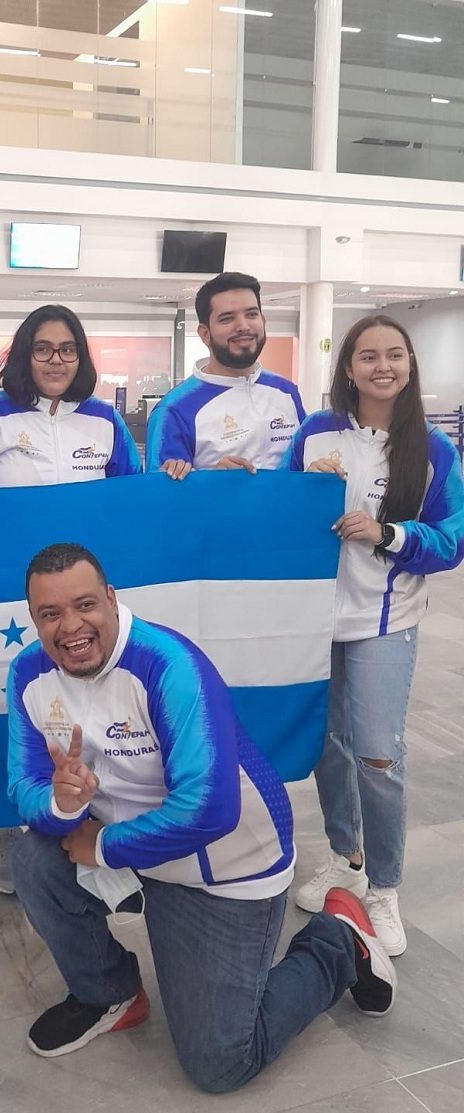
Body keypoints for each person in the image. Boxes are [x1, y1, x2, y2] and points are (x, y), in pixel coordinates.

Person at [7, 543, 397, 1090]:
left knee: (220, 1063)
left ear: (113, 600)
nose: (71, 626)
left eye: (85, 605)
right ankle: (109, 994)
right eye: (50, 614)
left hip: (224, 862)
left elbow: (210, 810)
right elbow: (22, 784)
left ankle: (336, 944)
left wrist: (103, 845)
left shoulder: (169, 662)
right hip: (132, 847)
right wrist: (61, 803)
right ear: (34, 619)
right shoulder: (27, 672)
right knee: (33, 857)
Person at [282, 315, 464, 956]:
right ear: (349, 367)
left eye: (394, 355)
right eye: (368, 356)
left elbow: (454, 540)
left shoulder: (435, 452)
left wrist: (389, 534)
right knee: (329, 749)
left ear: (409, 364)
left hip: (385, 623)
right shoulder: (313, 433)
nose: (381, 366)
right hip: (314, 621)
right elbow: (277, 506)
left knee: (378, 757)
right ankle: (346, 858)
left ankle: (384, 887)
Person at [0, 304, 141, 892]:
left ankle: (95, 814)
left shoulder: (105, 421)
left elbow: (134, 501)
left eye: (67, 349)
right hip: (9, 598)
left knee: (87, 706)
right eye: (43, 348)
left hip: (83, 603)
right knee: (18, 709)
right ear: (22, 355)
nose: (56, 360)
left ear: (82, 357)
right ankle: (9, 830)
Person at [145, 272, 305, 479]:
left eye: (251, 314)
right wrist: (213, 482)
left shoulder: (286, 391)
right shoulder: (175, 409)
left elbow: (306, 461)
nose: (243, 326)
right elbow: (161, 496)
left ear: (263, 321)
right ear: (205, 334)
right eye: (227, 318)